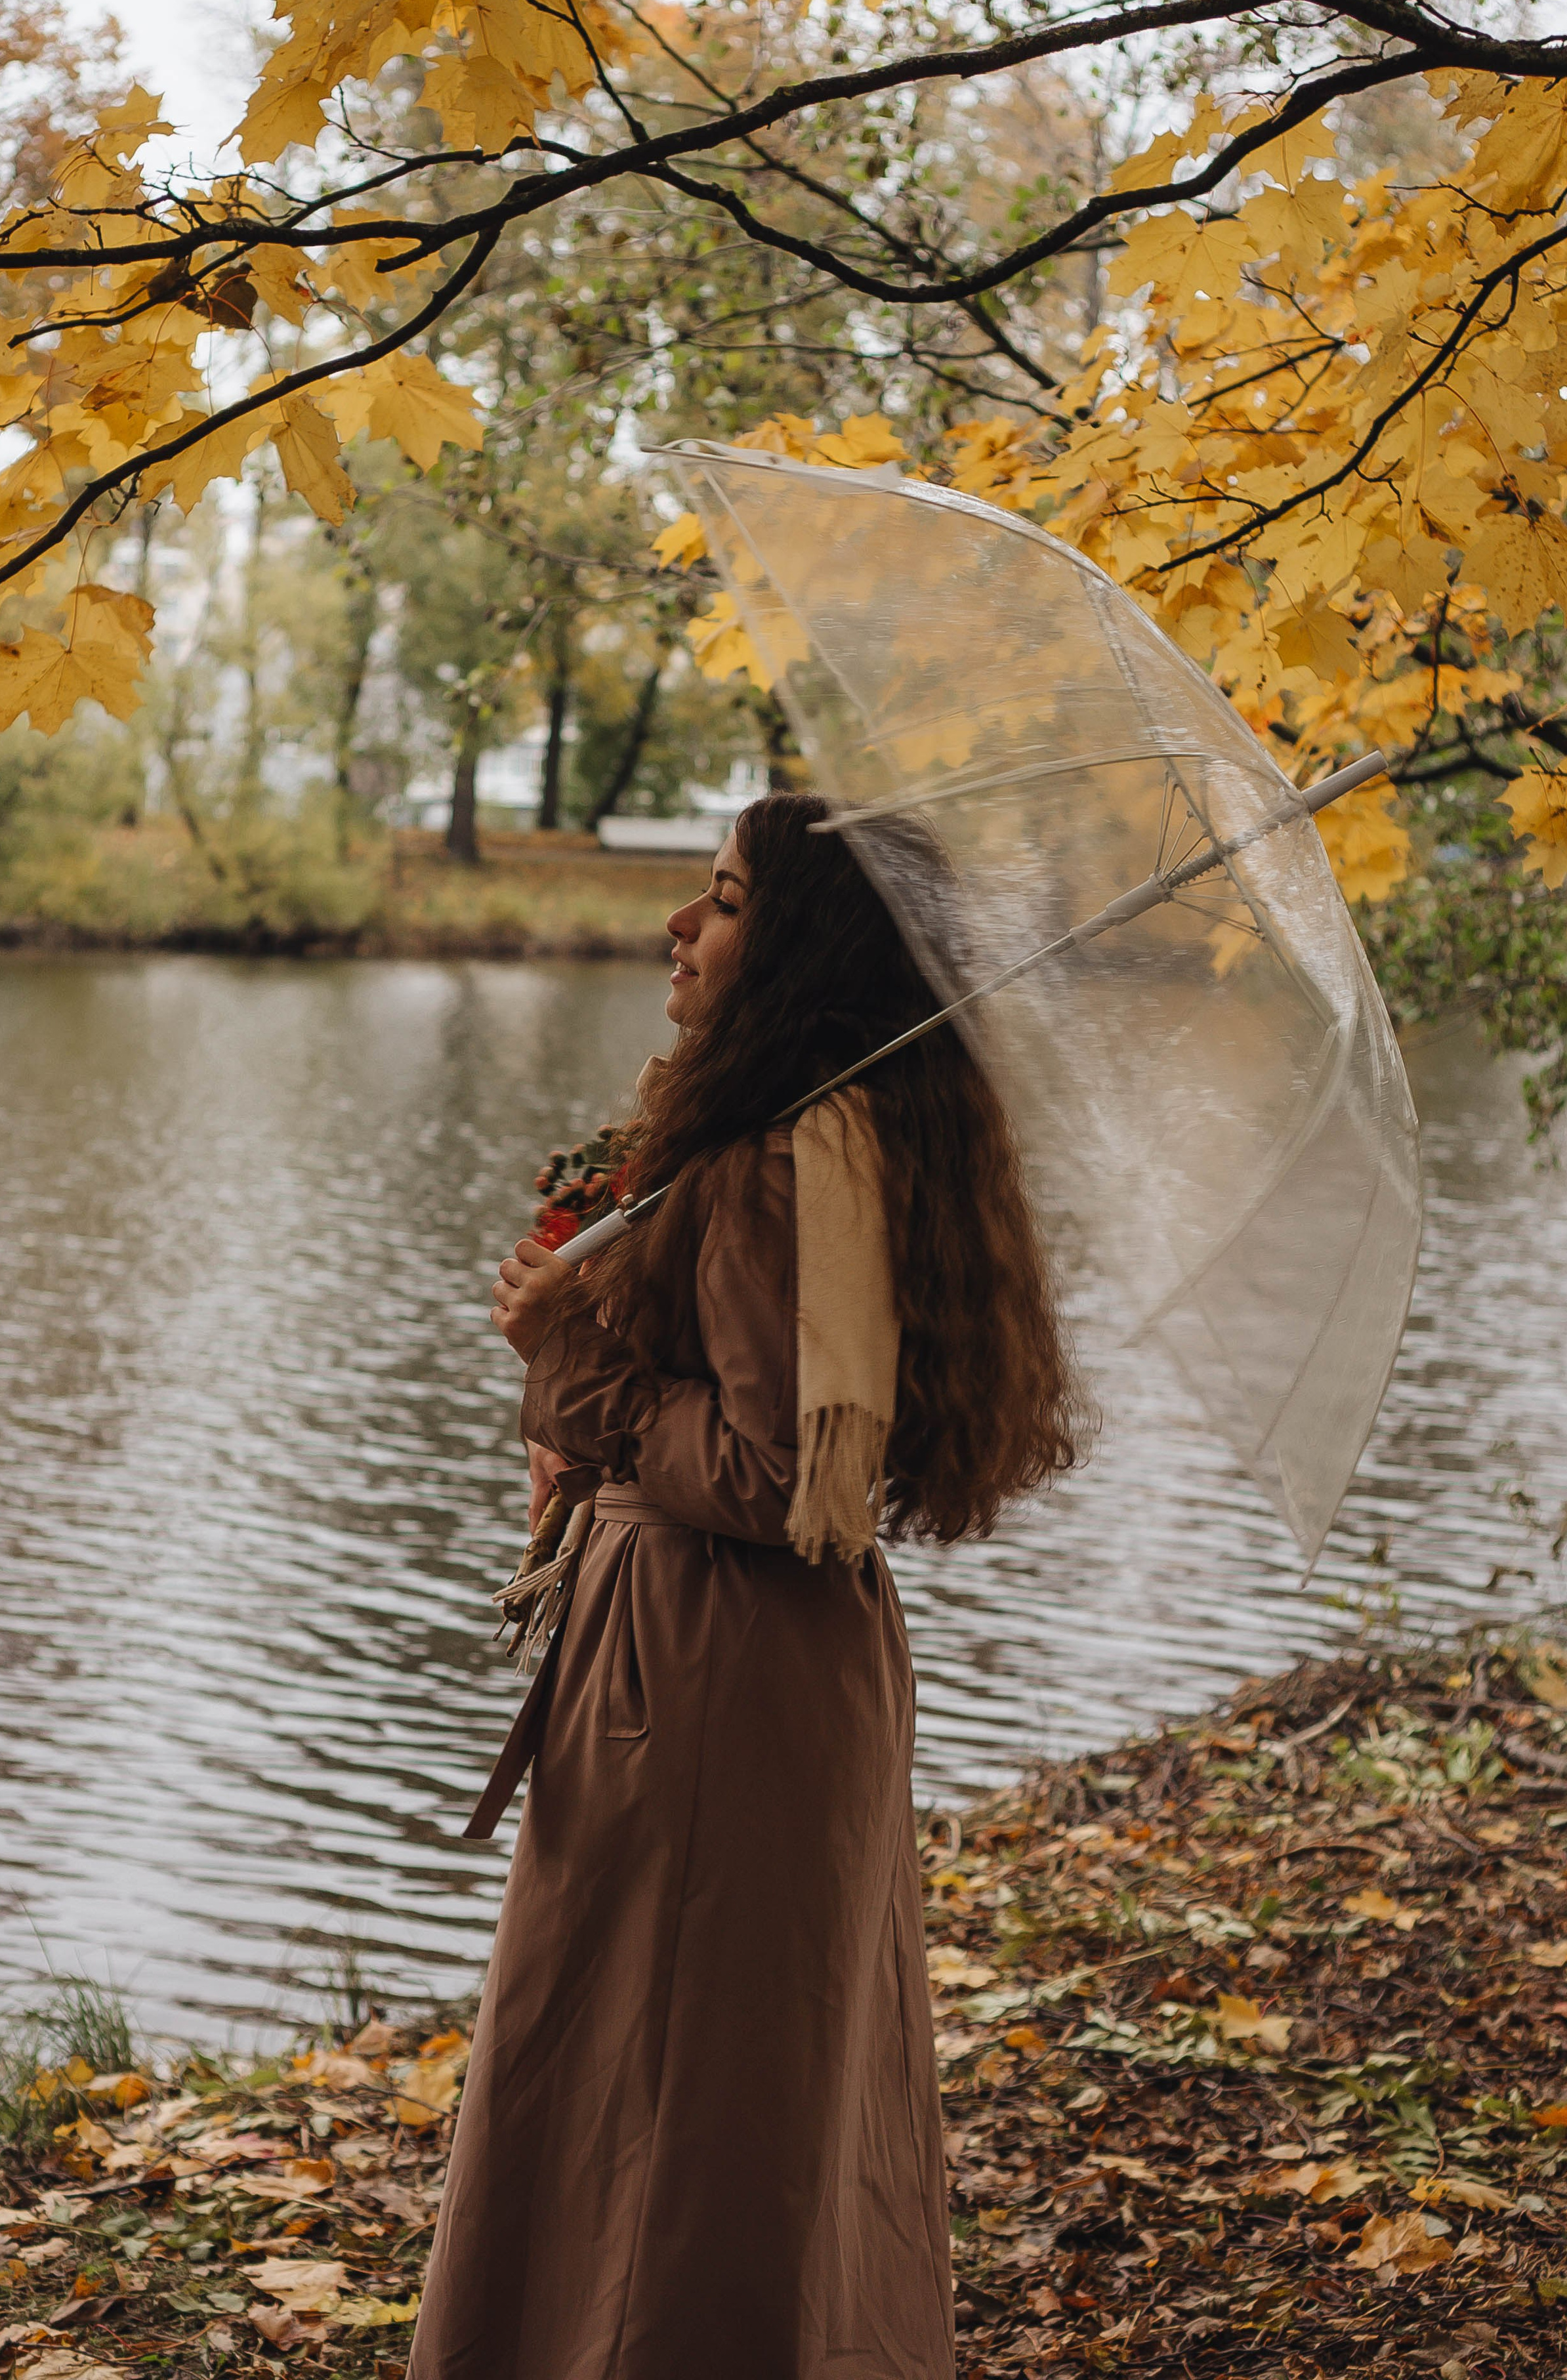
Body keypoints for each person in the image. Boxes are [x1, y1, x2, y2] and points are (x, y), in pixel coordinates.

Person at [408, 791, 1092, 2380]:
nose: (679, 926)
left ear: (800, 953)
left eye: (720, 902)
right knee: (718, 2077)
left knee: (684, 2092)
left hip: (704, 1671)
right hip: (752, 1664)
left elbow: (768, 1476)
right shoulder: (823, 1143)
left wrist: (568, 1355)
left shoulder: (778, 1170)